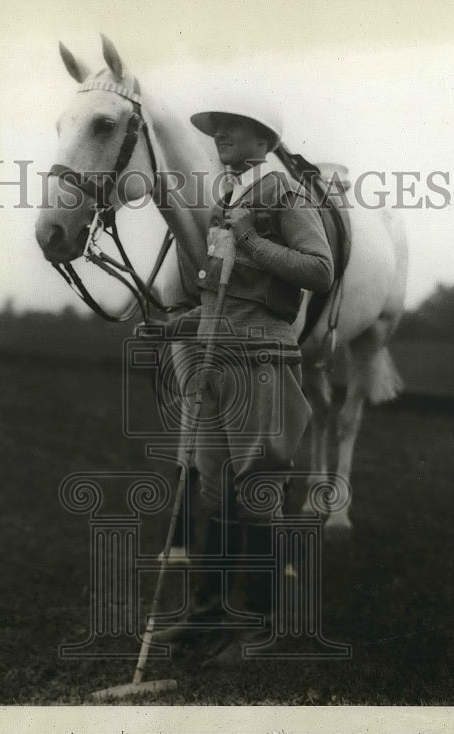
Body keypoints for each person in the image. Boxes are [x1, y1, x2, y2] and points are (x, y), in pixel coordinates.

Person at [153, 96, 333, 664]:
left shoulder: (285, 192)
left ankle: (256, 625)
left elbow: (319, 269)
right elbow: (222, 291)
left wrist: (253, 239)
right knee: (213, 491)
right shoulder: (225, 194)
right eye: (216, 128)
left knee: (257, 492)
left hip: (261, 359)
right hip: (214, 360)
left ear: (264, 138)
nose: (219, 135)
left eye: (232, 127)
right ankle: (206, 619)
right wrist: (176, 324)